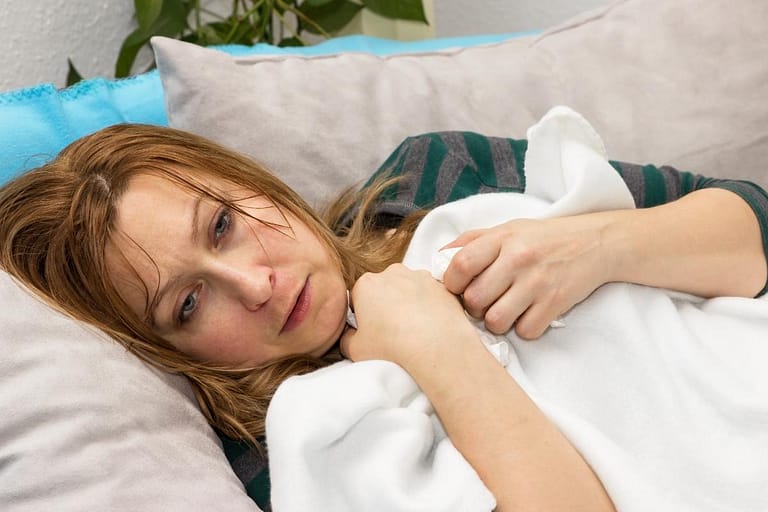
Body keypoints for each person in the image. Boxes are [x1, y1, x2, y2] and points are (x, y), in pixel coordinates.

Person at [0, 123, 766, 512]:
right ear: (163, 349)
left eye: (223, 224)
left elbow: (755, 225)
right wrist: (442, 353)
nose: (254, 284)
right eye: (190, 303)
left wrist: (594, 243)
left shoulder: (429, 175)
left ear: (245, 179)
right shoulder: (289, 453)